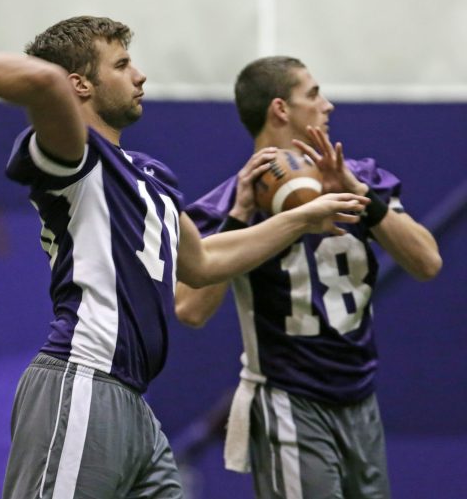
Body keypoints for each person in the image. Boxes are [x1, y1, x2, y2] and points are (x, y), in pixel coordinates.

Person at [0, 17, 368, 498]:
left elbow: (203, 263)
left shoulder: (146, 174)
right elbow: (42, 81)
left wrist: (301, 219)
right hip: (81, 381)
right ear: (80, 85)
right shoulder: (75, 156)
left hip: (132, 402)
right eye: (123, 64)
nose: (140, 74)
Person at [175, 56, 442, 499]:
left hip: (361, 397)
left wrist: (358, 193)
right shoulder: (234, 199)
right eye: (314, 94)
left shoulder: (360, 176)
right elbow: (189, 309)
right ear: (281, 109)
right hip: (289, 397)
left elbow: (427, 262)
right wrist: (240, 217)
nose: (328, 105)